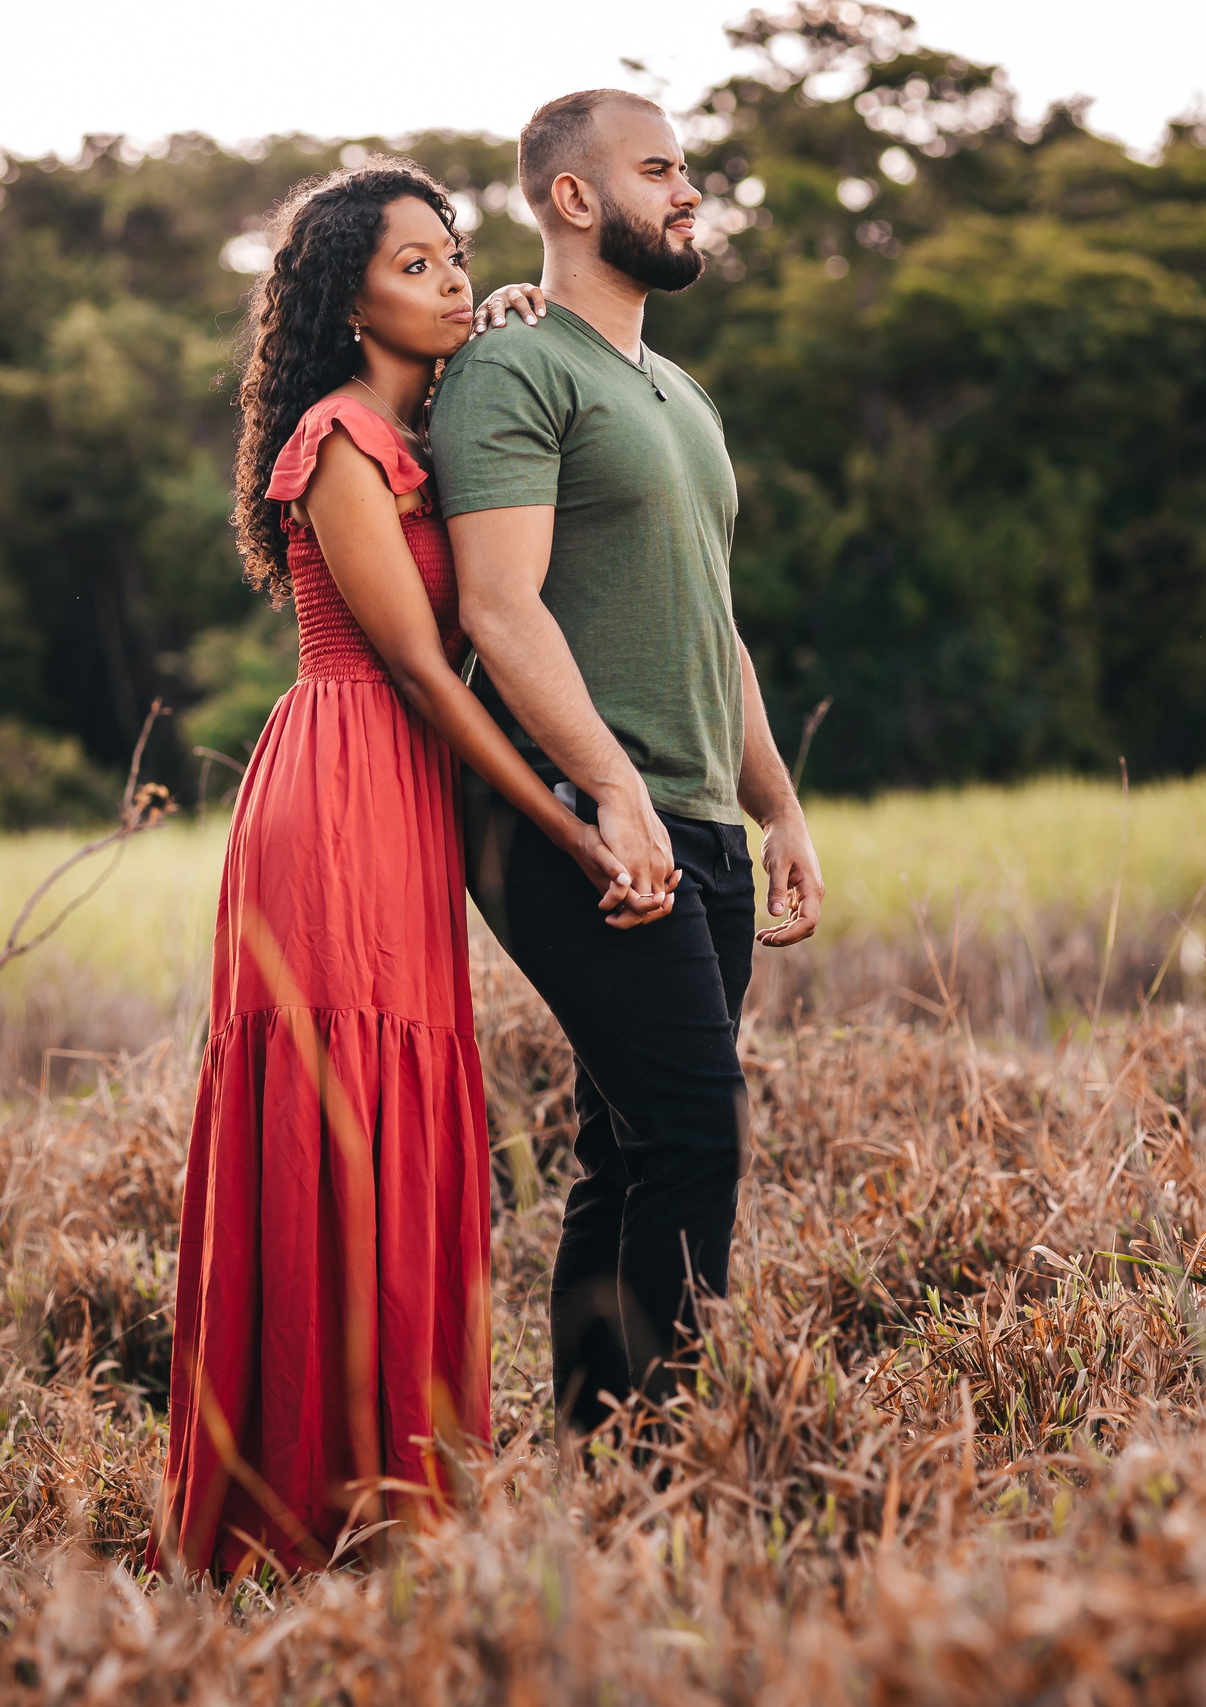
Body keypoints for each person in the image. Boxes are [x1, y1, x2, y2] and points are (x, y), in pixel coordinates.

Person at [153, 160, 667, 1579]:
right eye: (422, 266)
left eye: (458, 260)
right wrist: (574, 824)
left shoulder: (421, 428)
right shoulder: (331, 441)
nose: (453, 284)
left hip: (406, 802)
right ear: (347, 296)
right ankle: (310, 1505)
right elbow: (434, 682)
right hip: (341, 788)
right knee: (339, 1116)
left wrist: (505, 317)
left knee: (398, 1114)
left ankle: (400, 1490)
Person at [431, 90, 827, 1438]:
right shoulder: (515, 367)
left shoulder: (681, 396)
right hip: (571, 812)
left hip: (702, 817)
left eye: (687, 171)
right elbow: (498, 606)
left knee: (632, 1143)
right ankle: (665, 1464)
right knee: (692, 1136)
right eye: (659, 169)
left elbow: (715, 625)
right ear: (574, 199)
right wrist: (604, 788)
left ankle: (605, 1471)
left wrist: (776, 807)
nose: (690, 191)